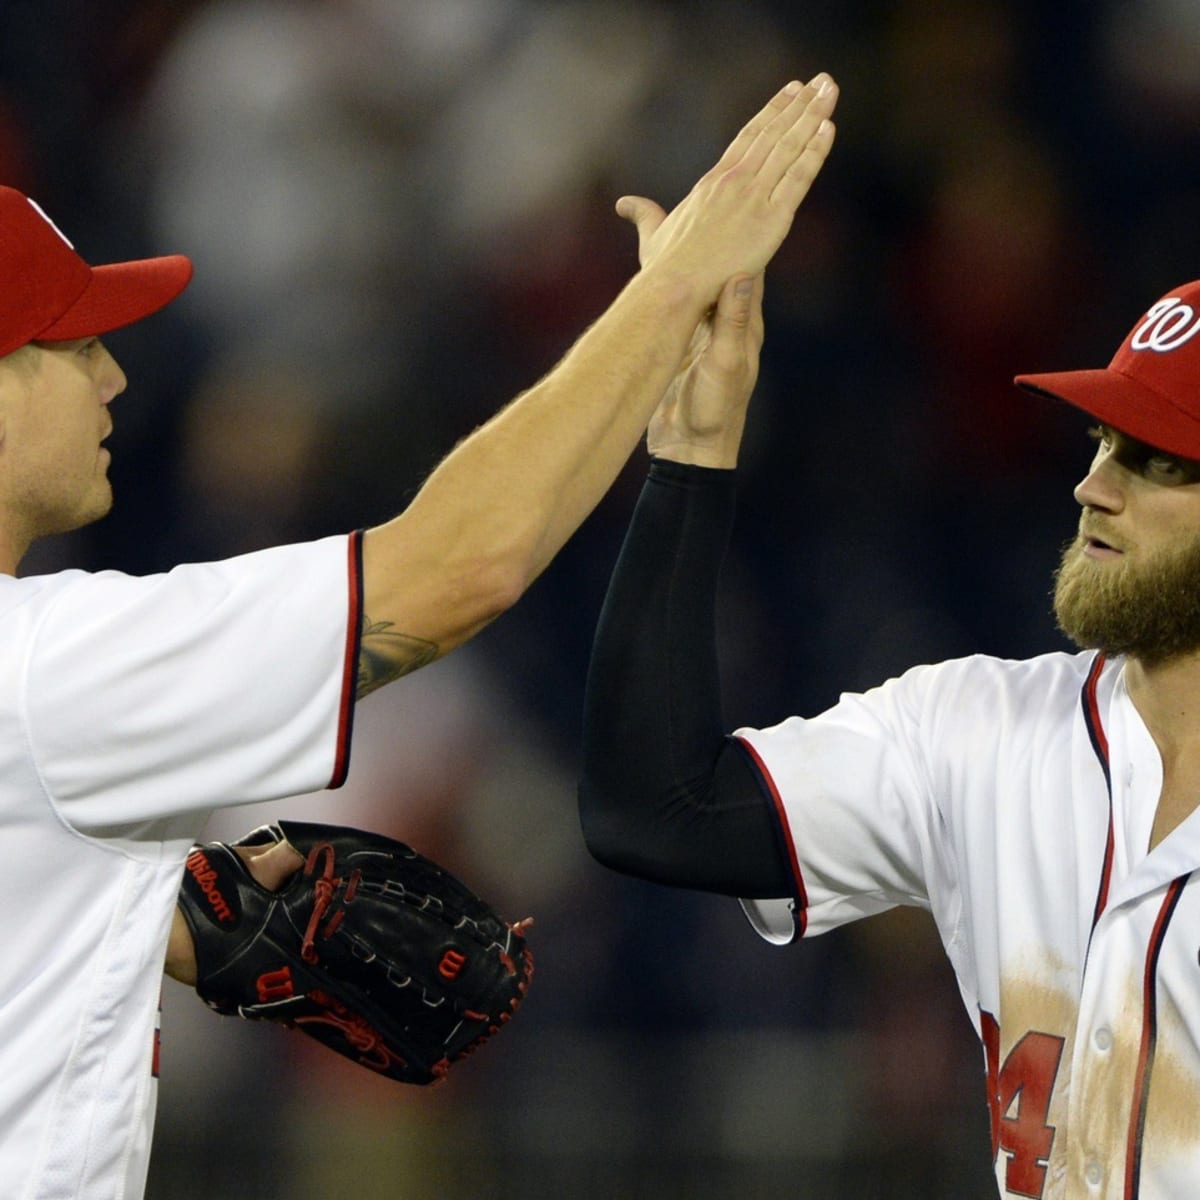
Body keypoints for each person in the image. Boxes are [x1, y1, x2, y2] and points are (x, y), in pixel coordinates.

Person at [0, 73, 839, 1200]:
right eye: (70, 343)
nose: (113, 375)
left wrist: (149, 917)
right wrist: (675, 291)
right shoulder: (44, 665)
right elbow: (455, 568)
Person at [578, 251, 1200, 1194]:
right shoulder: (982, 733)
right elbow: (656, 808)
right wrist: (691, 455)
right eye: (1103, 442)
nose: (1095, 488)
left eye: (1156, 462)